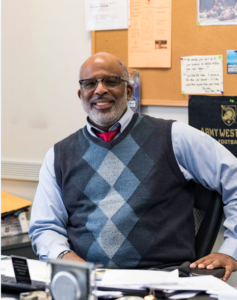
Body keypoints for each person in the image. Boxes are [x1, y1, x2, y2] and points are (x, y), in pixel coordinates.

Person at [29, 52, 237, 282]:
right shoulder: (59, 156)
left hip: (163, 282)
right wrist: (64, 255)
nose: (99, 90)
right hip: (91, 283)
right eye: (90, 84)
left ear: (128, 91)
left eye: (110, 81)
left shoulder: (174, 137)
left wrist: (231, 251)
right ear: (81, 95)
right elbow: (45, 226)